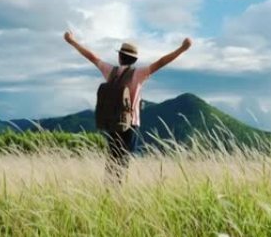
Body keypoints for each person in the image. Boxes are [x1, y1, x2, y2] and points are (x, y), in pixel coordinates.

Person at [63, 31, 192, 184]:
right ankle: (119, 190)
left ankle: (109, 188)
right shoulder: (139, 74)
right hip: (131, 124)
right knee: (124, 161)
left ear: (119, 57)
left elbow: (92, 57)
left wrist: (72, 41)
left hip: (112, 123)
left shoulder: (110, 71)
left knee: (112, 159)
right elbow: (161, 62)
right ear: (134, 60)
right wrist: (182, 48)